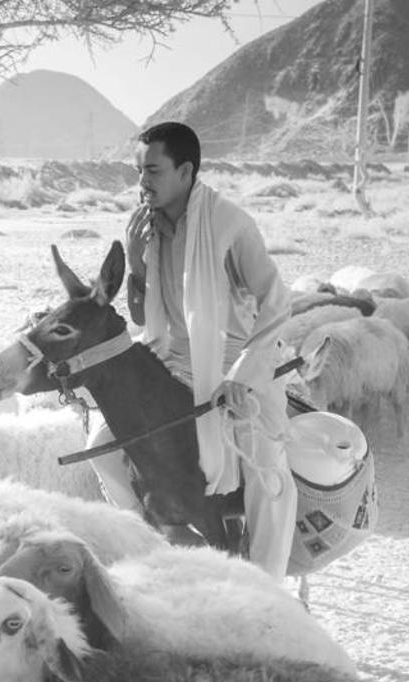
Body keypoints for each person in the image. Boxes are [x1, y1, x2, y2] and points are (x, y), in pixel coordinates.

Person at [87, 121, 296, 579]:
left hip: (237, 363)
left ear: (186, 171)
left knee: (267, 470)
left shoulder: (230, 224)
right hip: (172, 361)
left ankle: (266, 585)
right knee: (102, 447)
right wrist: (138, 259)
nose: (142, 182)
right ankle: (151, 542)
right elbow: (143, 319)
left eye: (153, 171)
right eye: (138, 170)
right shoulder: (143, 225)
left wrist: (243, 375)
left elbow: (277, 302)